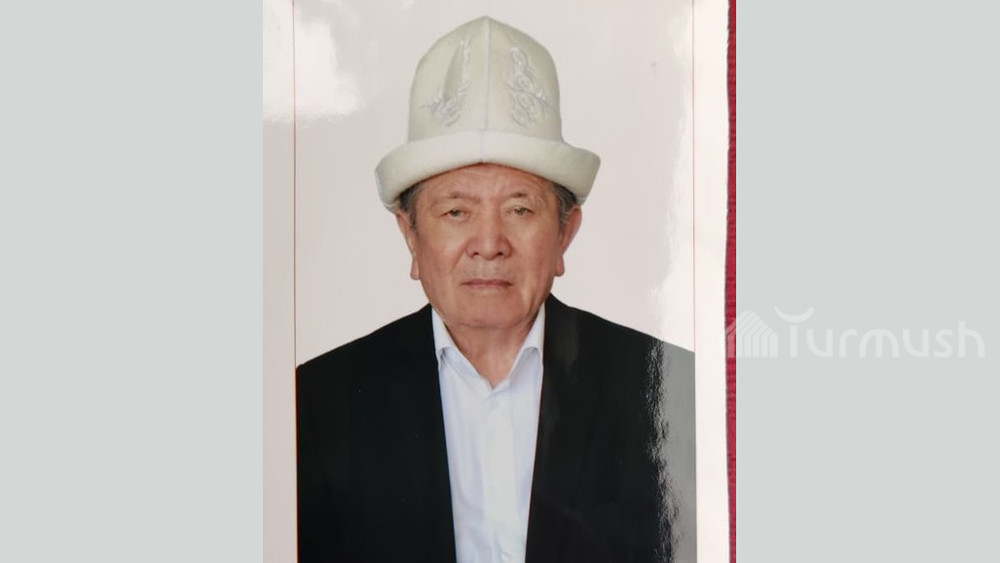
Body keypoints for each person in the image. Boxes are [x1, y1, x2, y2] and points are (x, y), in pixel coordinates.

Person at [297, 16, 695, 563]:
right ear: (410, 235)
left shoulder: (672, 390)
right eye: (456, 211)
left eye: (520, 209)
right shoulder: (313, 403)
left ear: (565, 233)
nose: (489, 244)